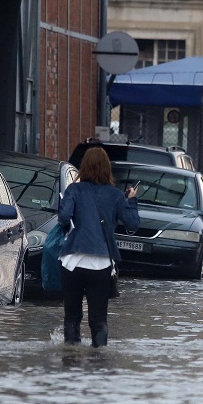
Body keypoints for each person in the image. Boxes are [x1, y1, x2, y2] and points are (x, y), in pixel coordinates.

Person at [57, 147, 140, 347]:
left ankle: (70, 359)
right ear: (107, 168)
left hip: (72, 262)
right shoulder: (116, 195)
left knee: (72, 317)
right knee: (99, 320)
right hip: (101, 264)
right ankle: (98, 362)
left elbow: (63, 218)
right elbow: (133, 224)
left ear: (83, 167)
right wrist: (131, 200)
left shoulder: (73, 190)